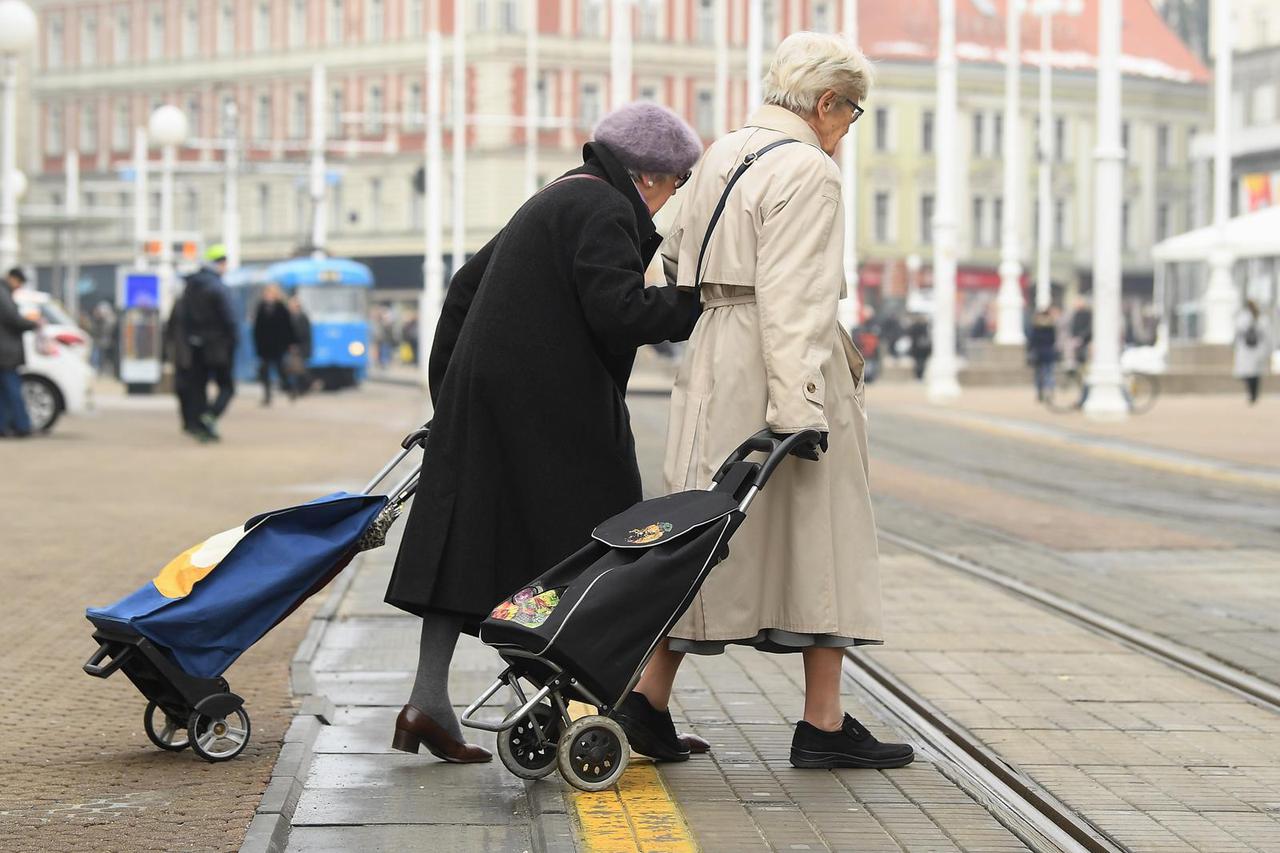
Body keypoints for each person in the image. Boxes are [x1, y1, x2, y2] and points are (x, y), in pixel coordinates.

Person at [620, 32, 914, 770]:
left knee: (702, 536)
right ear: (825, 103)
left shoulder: (721, 153)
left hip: (717, 355)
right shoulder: (809, 172)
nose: (849, 128)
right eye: (852, 113)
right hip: (779, 367)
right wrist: (798, 408)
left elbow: (664, 253)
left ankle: (648, 701)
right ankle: (821, 722)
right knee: (827, 539)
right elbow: (796, 302)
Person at [383, 102, 704, 763]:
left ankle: (429, 701)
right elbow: (617, 311)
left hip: (494, 398)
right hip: (548, 408)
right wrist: (700, 303)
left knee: (470, 538)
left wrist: (455, 395)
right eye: (676, 182)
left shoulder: (558, 195)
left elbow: (464, 289)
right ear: (647, 176)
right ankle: (544, 697)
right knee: (586, 541)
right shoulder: (608, 210)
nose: (673, 198)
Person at [174, 245, 239, 441]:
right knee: (227, 387)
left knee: (198, 387)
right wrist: (233, 342)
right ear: (218, 263)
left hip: (194, 346)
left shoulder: (190, 287)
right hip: (218, 346)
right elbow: (230, 319)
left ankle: (199, 425)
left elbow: (180, 318)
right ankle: (209, 417)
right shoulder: (218, 288)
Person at [0, 268, 41, 438]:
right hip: (5, 353)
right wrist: (33, 323)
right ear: (12, 278)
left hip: (4, 352)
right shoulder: (3, 294)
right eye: (19, 283)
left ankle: (4, 426)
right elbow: (13, 318)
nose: (19, 287)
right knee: (12, 391)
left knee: (4, 393)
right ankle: (21, 426)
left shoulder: (5, 293)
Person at [252, 284, 297, 405]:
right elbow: (257, 328)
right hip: (265, 346)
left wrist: (291, 343)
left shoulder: (281, 308)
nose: (269, 295)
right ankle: (267, 396)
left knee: (281, 370)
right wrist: (257, 344)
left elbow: (288, 327)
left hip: (278, 345)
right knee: (264, 371)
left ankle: (289, 389)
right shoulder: (261, 307)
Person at [1234, 299, 1270, 405]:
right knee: (1255, 375)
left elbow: (1238, 332)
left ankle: (1251, 394)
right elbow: (1267, 335)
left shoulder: (1242, 318)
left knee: (1248, 374)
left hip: (1246, 349)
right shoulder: (1262, 318)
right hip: (1257, 349)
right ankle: (1254, 394)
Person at [1027, 308, 1059, 402]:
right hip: (1049, 352)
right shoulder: (1051, 326)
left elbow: (1032, 341)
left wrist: (1030, 351)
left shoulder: (1036, 326)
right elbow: (1053, 340)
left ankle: (1040, 393)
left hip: (1038, 353)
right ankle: (1050, 392)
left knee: (1039, 375)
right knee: (1049, 373)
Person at [287, 295, 313, 396]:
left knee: (299, 370)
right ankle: (297, 389)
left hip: (300, 348)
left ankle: (303, 387)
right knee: (295, 370)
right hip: (293, 348)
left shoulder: (302, 317)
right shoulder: (290, 316)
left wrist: (295, 344)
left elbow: (303, 333)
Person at [907, 314, 932, 381]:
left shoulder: (915, 327)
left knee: (919, 363)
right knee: (921, 363)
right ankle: (919, 376)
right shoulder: (926, 327)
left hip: (919, 349)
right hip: (922, 349)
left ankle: (919, 376)